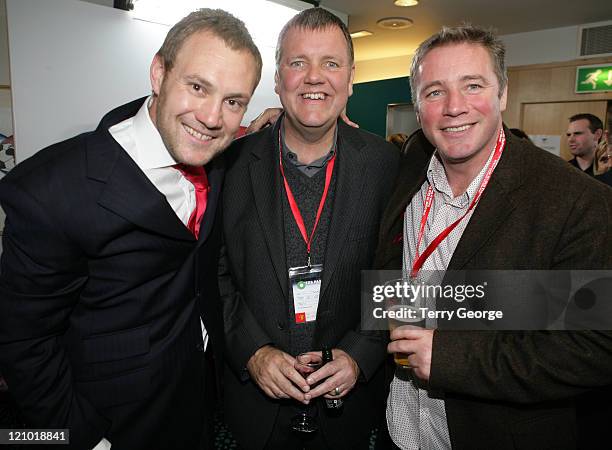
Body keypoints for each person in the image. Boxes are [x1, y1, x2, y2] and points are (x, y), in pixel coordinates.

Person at [0, 9, 262, 450]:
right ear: (159, 73)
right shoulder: (51, 189)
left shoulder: (217, 161)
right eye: (198, 87)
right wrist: (81, 438)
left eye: (233, 101)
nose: (213, 116)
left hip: (195, 403)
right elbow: (23, 342)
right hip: (107, 424)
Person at [374, 25, 612, 449]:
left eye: (473, 85)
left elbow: (591, 348)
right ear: (417, 106)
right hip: (401, 426)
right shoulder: (410, 165)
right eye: (434, 92)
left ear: (502, 94)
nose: (454, 107)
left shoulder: (576, 201)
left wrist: (449, 360)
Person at [219, 8, 399, 450]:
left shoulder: (386, 166)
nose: (314, 77)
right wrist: (253, 351)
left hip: (349, 409)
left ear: (351, 79)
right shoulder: (231, 164)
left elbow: (396, 273)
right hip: (253, 408)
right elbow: (214, 274)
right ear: (278, 79)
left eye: (331, 64)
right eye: (298, 62)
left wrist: (360, 355)